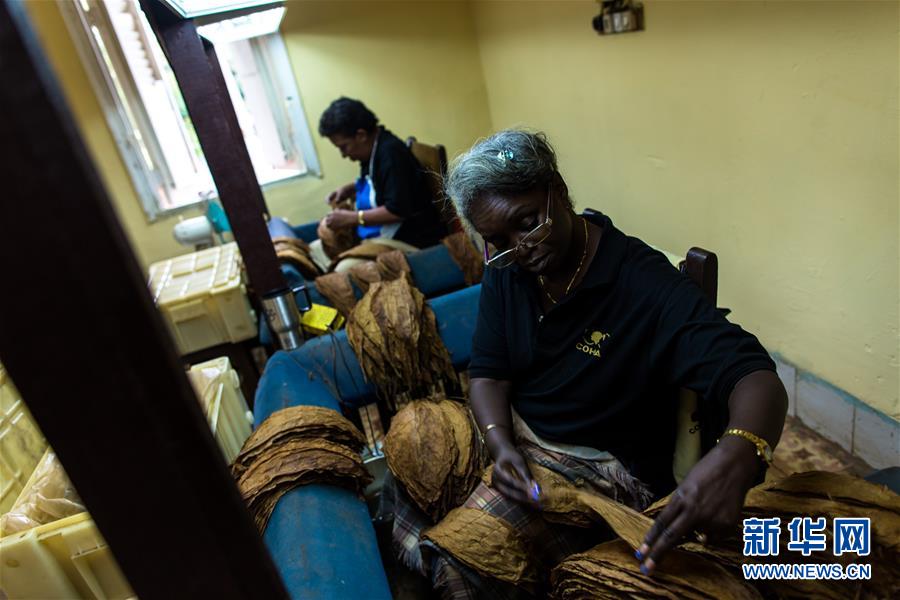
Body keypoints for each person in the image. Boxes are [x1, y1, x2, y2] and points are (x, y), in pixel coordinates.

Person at [389, 129, 788, 598]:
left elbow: (753, 375)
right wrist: (499, 444)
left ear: (557, 190)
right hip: (518, 435)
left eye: (527, 223)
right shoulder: (509, 267)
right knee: (410, 466)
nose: (521, 248)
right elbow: (489, 372)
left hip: (596, 467)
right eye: (497, 239)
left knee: (464, 567)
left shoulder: (641, 283)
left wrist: (738, 452)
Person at [310, 97, 448, 271]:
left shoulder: (392, 154)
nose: (343, 155)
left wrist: (352, 218)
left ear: (361, 135)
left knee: (343, 270)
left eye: (343, 147)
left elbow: (397, 210)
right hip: (388, 234)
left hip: (411, 240)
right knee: (315, 249)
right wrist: (351, 188)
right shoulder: (374, 149)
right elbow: (383, 181)